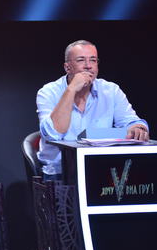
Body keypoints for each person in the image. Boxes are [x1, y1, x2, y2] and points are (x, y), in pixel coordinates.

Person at [36, 40, 149, 178]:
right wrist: (71, 90)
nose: (88, 66)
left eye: (93, 60)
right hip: (60, 172)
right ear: (67, 67)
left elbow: (131, 121)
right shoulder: (48, 92)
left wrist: (137, 128)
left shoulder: (111, 90)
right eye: (81, 60)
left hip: (101, 168)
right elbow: (52, 134)